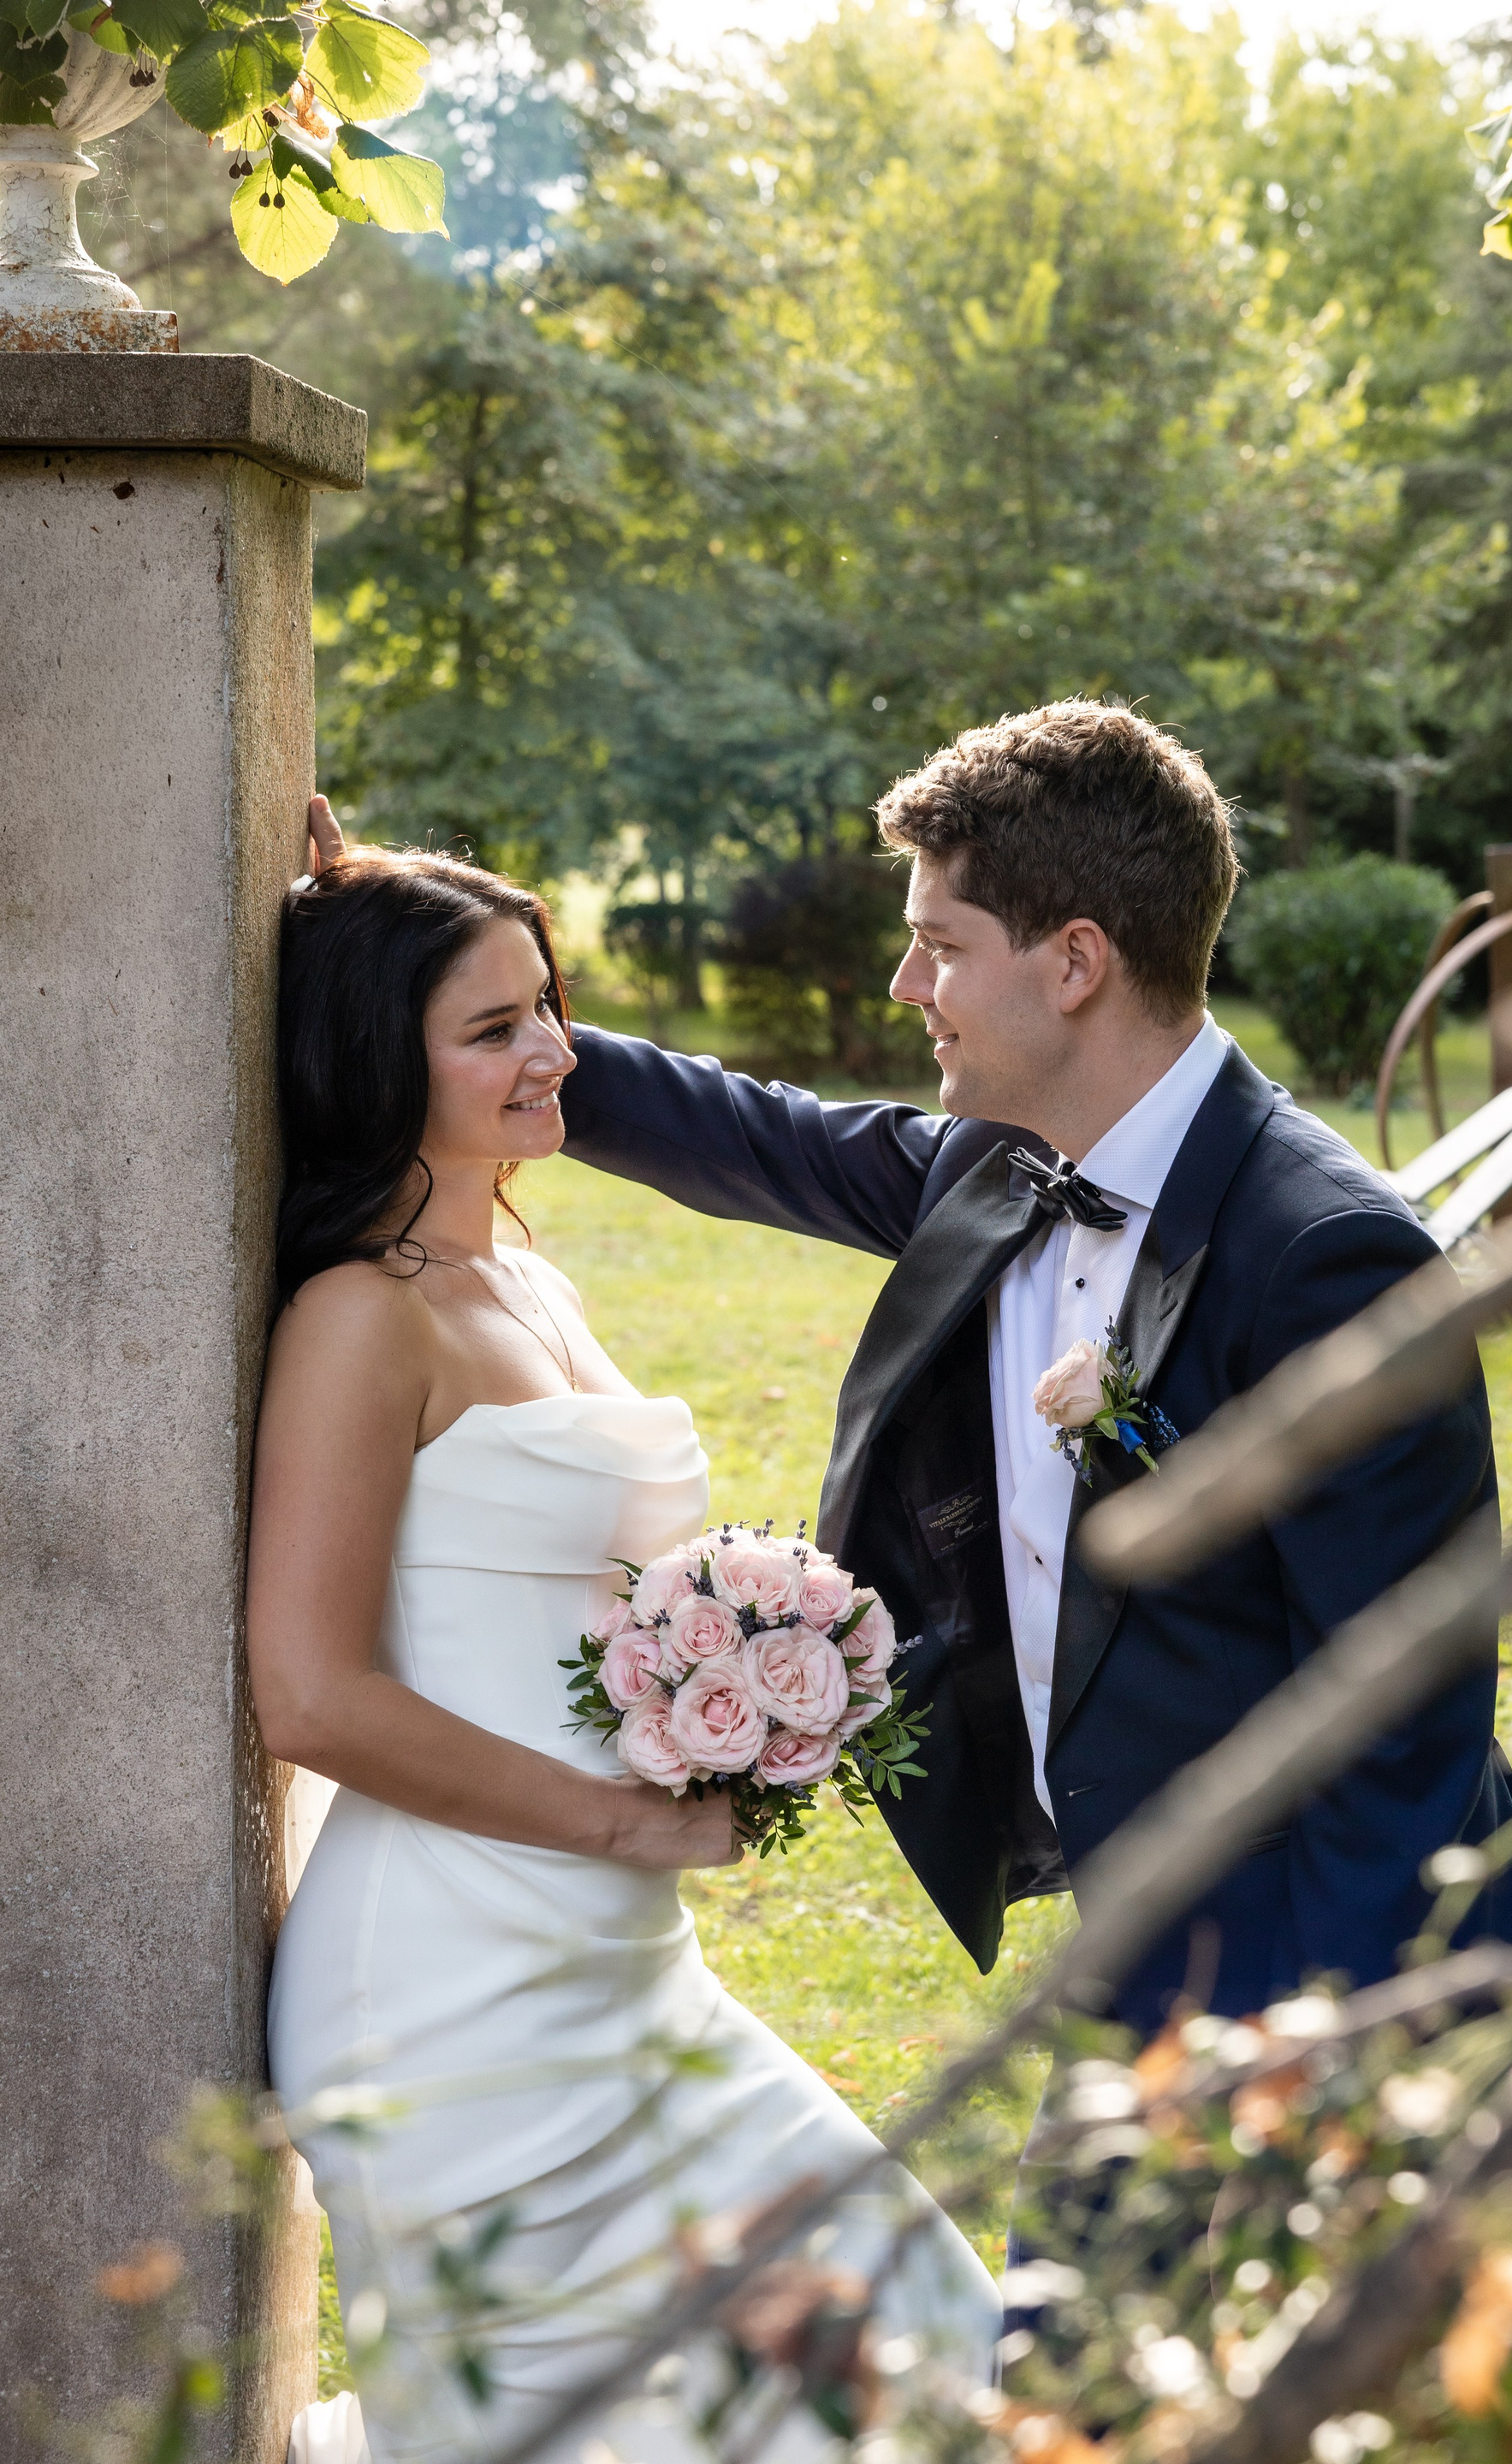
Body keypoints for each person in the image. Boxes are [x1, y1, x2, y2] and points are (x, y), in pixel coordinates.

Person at [308, 698, 1512, 2034]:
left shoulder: (1327, 1258)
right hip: (1148, 1933)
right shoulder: (1002, 1161)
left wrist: (1332, 2061)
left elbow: (1400, 1720)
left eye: (940, 946)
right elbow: (753, 1136)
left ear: (1074, 963)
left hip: (1345, 1965)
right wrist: (443, 985)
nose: (907, 986)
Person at [252, 851, 999, 2464]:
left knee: (921, 2322)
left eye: (548, 1008)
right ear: (378, 1057)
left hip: (621, 1965)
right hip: (451, 1986)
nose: (551, 1053)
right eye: (491, 1030)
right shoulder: (361, 1318)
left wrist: (755, 1689)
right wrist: (625, 1819)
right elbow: (309, 1694)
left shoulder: (530, 1276)